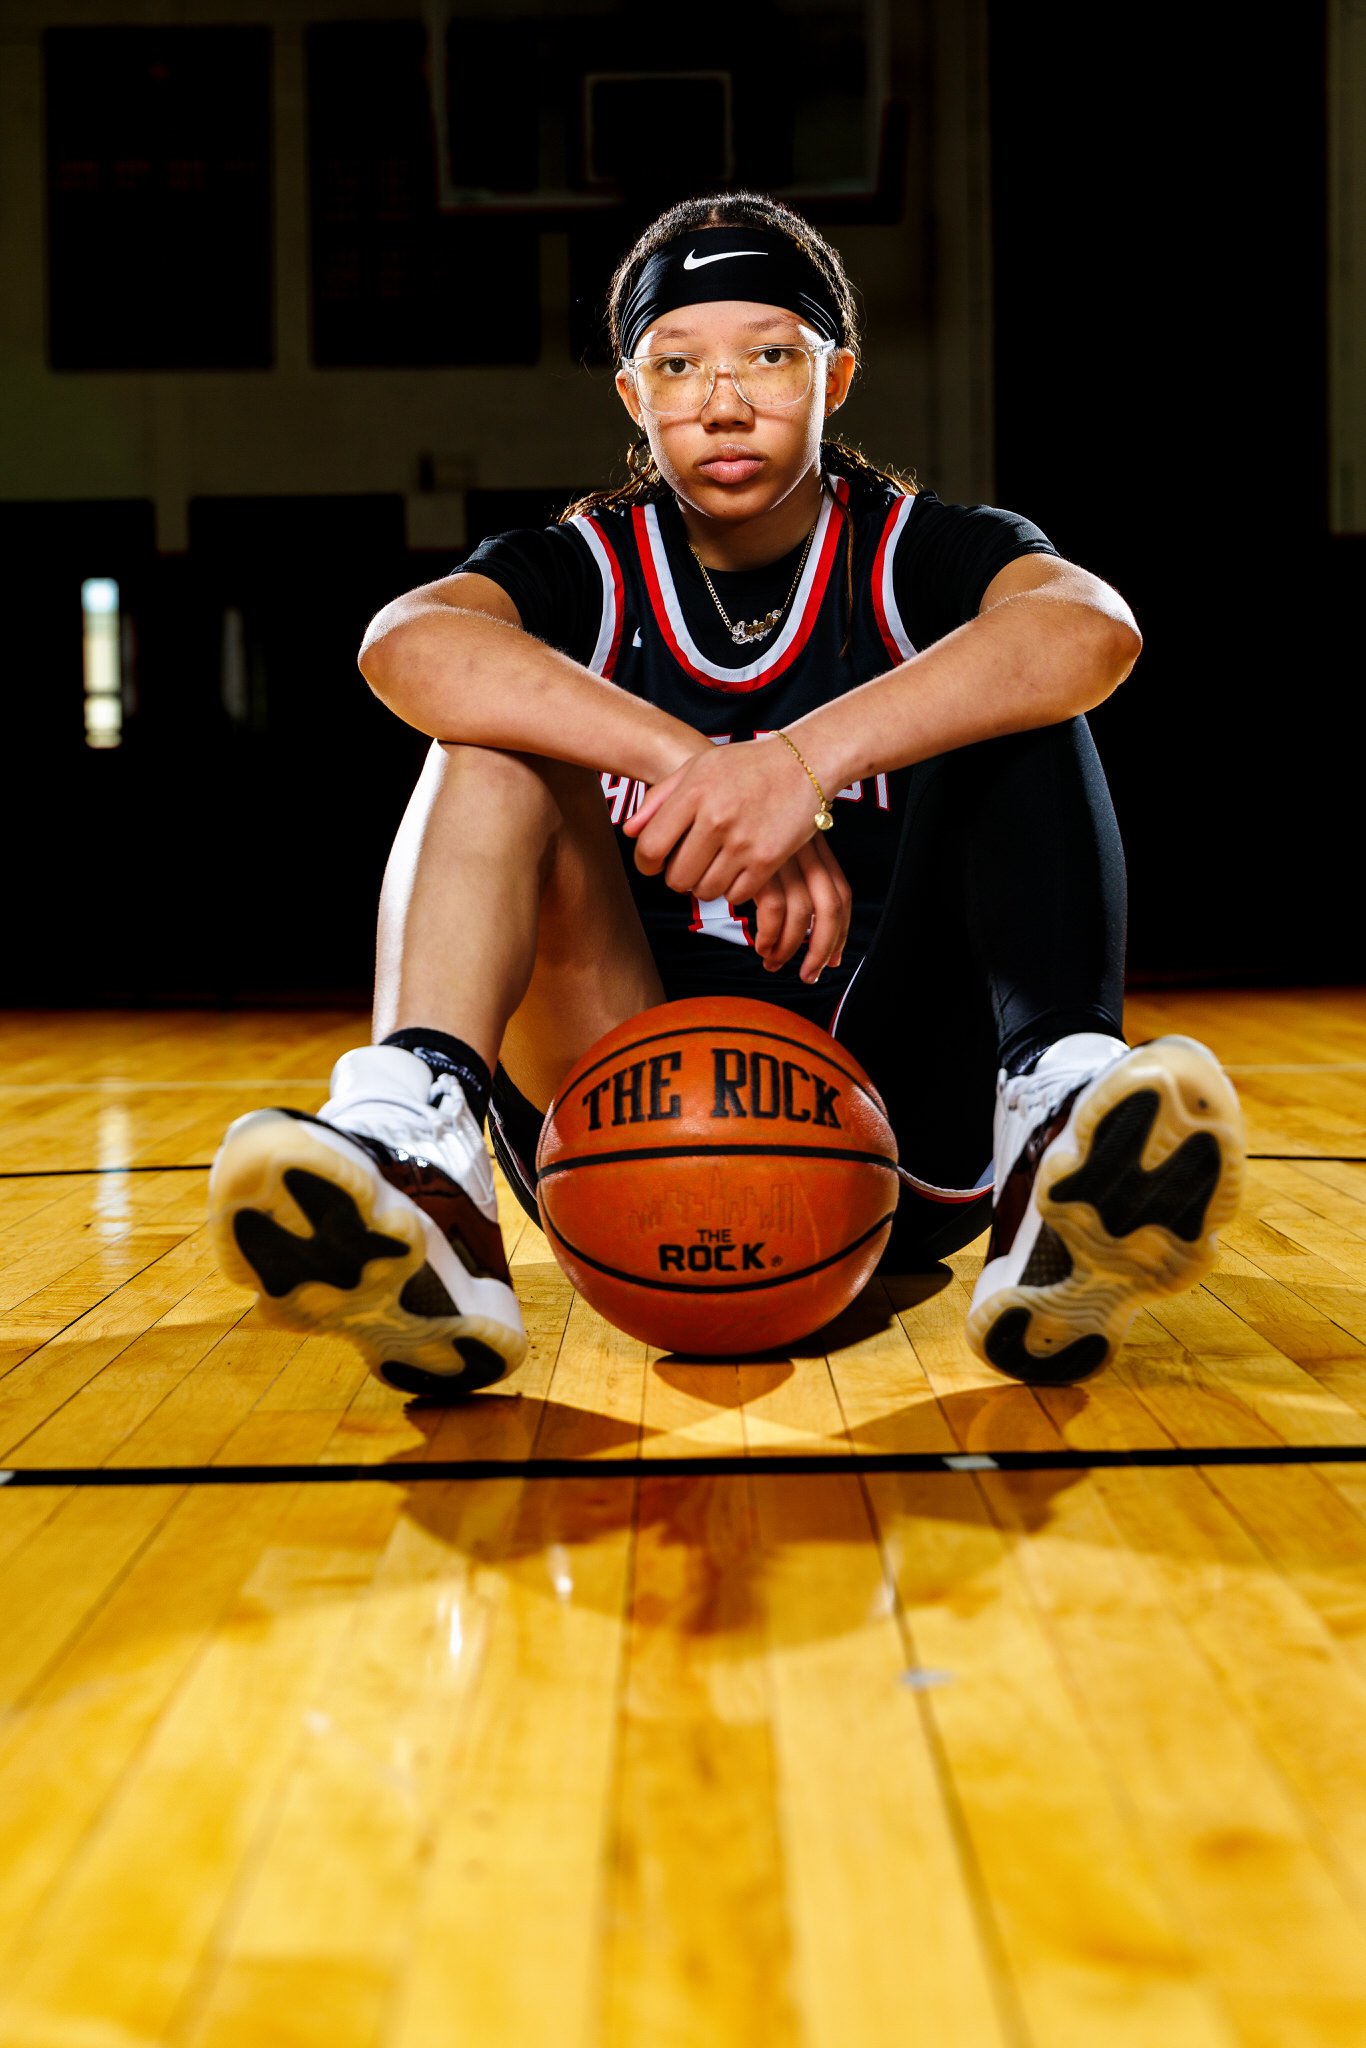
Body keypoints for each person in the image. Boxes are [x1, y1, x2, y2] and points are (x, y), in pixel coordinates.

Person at [207, 191, 1244, 1401]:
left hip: (902, 1114)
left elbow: (1091, 628)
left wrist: (800, 760)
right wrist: (698, 768)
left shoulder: (914, 552)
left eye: (770, 354)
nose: (723, 397)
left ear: (836, 376)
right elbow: (404, 645)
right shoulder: (586, 565)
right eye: (678, 362)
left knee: (1013, 678)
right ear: (633, 397)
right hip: (622, 1116)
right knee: (489, 735)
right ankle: (415, 1151)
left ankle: (1057, 1118)